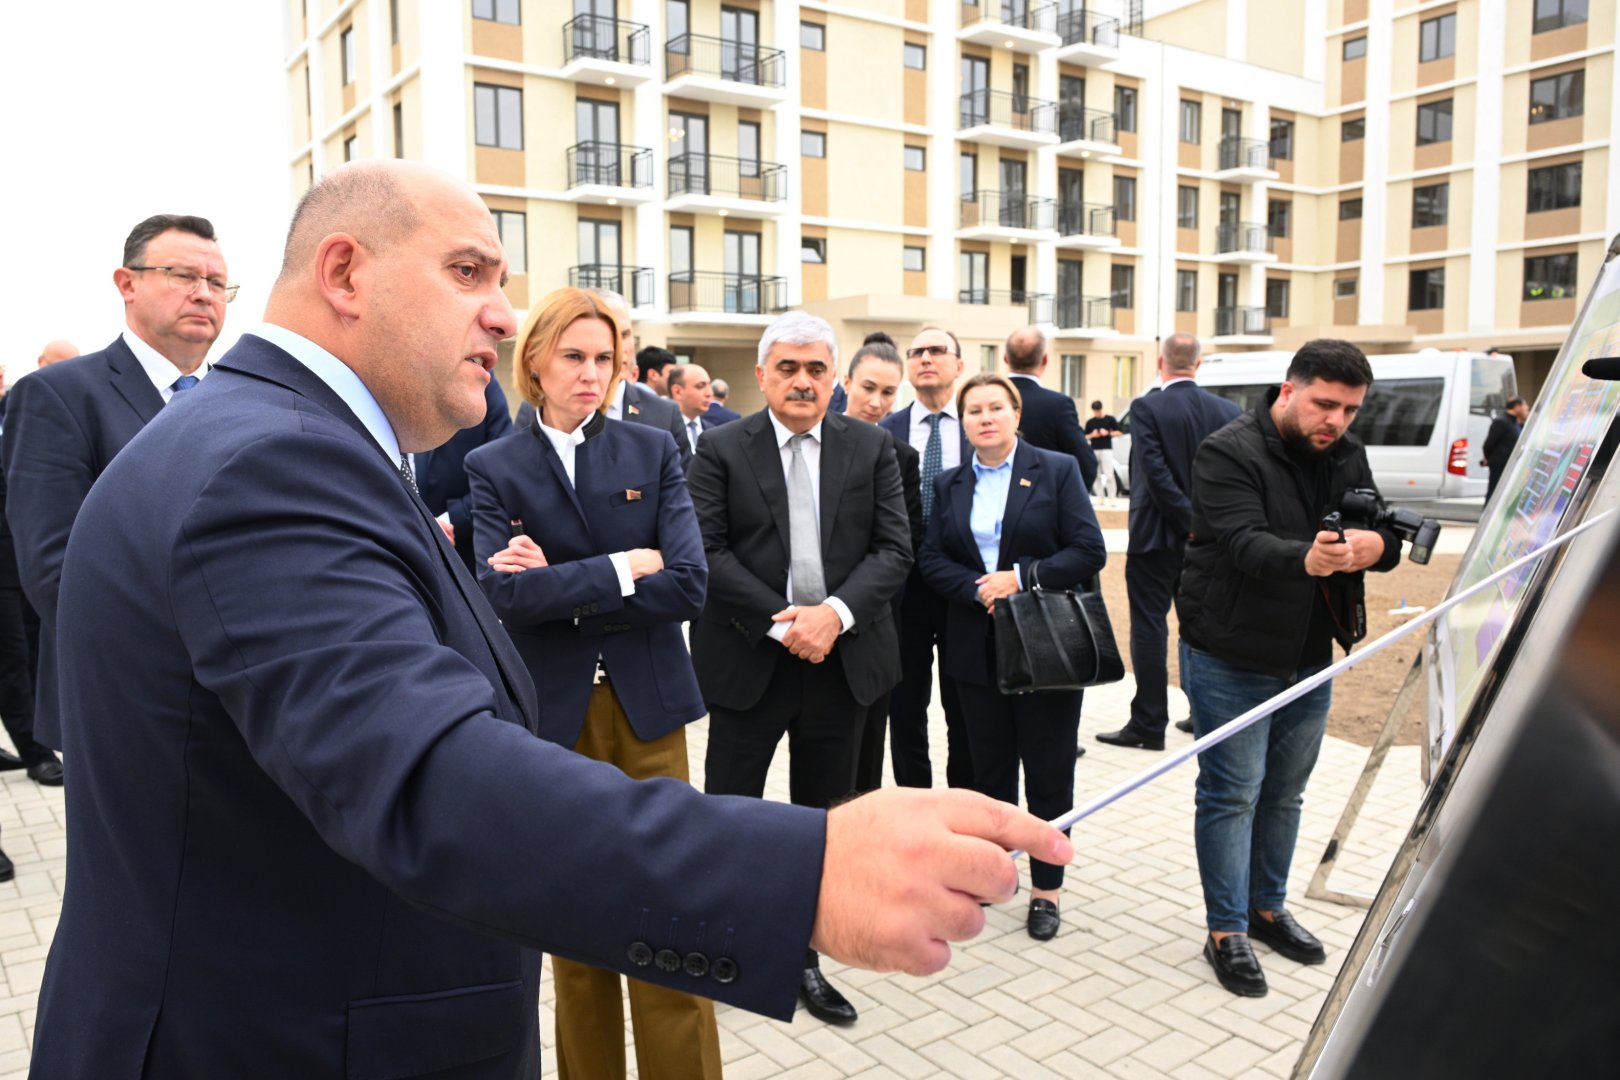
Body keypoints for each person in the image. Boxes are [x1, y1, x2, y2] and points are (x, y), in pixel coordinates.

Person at [28, 161, 1071, 1078]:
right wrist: (802, 871)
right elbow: (428, 778)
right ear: (344, 273)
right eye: (470, 273)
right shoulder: (272, 464)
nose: (501, 313)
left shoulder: (285, 444)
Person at [465, 288, 721, 1080]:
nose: (590, 374)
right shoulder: (492, 466)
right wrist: (618, 567)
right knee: (576, 933)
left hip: (650, 711)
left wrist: (562, 584)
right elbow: (505, 597)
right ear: (534, 360)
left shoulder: (653, 451)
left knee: (674, 922)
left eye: (604, 359)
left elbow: (687, 584)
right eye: (573, 356)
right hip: (552, 717)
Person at [688, 311, 913, 1027]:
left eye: (817, 369)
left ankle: (802, 959)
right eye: (787, 367)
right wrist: (788, 621)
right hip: (751, 661)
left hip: (839, 665)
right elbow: (706, 551)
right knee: (732, 815)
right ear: (761, 375)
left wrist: (833, 617)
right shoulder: (720, 449)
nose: (803, 381)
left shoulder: (873, 448)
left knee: (822, 824)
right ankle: (722, 946)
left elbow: (893, 551)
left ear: (834, 378)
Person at [1175, 339, 1403, 998]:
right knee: (1232, 792)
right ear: (1288, 390)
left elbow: (1381, 527)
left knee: (1285, 792)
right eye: (1324, 404)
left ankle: (1267, 909)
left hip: (1309, 651)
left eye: (1350, 410)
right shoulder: (1227, 450)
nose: (1335, 421)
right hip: (1230, 650)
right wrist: (1307, 558)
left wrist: (1376, 544)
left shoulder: (1348, 454)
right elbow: (1243, 542)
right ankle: (1226, 930)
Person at [4, 213, 231, 749]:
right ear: (127, 283)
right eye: (182, 276)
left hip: (238, 699)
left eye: (218, 283)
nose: (204, 294)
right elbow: (55, 571)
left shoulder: (239, 397)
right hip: (127, 703)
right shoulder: (59, 396)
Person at [918, 373, 1107, 942]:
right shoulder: (951, 484)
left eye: (996, 407)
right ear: (964, 421)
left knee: (1049, 771)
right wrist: (978, 587)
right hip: (975, 648)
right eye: (973, 409)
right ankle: (996, 873)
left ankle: (1047, 888)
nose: (985, 418)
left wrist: (1019, 578)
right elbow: (929, 558)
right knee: (988, 771)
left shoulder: (1056, 469)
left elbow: (1088, 548)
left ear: (1016, 413)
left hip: (1046, 643)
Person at [1095, 334, 1239, 751]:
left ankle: (1149, 722)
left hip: (1157, 537)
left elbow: (1155, 472)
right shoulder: (1227, 410)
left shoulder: (1147, 406)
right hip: (1208, 541)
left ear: (1161, 362)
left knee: (1149, 625)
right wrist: (1204, 523)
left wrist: (1187, 520)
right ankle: (1204, 713)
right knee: (1201, 626)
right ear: (1200, 363)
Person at [879, 328, 974, 790]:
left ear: (959, 365)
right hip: (903, 592)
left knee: (966, 711)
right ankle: (916, 809)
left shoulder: (981, 426)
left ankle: (963, 810)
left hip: (964, 590)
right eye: (916, 352)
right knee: (906, 709)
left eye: (938, 351)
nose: (926, 358)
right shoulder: (884, 433)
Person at [841, 332, 924, 794]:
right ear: (847, 381)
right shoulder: (802, 441)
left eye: (888, 392)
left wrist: (853, 608)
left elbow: (901, 547)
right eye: (868, 387)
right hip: (798, 625)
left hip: (868, 628)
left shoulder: (900, 458)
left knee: (865, 764)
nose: (876, 401)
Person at [518, 291, 690, 469]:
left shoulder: (664, 414)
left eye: (624, 335)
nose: (618, 347)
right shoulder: (534, 412)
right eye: (574, 356)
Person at [415, 378, 512, 570]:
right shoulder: (392, 376)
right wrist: (415, 523)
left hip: (469, 555)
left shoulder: (484, 382)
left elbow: (504, 476)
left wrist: (447, 521)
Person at [1001, 326, 1098, 491]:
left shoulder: (983, 400)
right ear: (1045, 360)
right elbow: (1086, 465)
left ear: (1005, 359)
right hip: (1041, 500)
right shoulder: (1058, 405)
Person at [1481, 395, 1529, 501]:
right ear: (1517, 407)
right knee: (1494, 492)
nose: (1527, 410)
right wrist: (1490, 458)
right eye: (1525, 407)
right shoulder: (1501, 422)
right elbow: (1488, 444)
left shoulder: (1515, 423)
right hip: (1500, 465)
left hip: (1510, 465)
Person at [668, 362, 714, 458]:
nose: (709, 393)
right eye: (700, 386)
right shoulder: (663, 432)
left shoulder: (714, 432)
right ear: (678, 392)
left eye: (709, 385)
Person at [1084, 400, 1123, 499]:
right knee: (1095, 474)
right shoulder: (1090, 422)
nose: (1097, 413)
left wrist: (1108, 433)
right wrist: (1092, 435)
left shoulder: (1110, 419)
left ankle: (1112, 497)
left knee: (1109, 474)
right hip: (1094, 449)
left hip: (1106, 449)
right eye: (1095, 411)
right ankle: (1100, 496)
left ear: (1101, 409)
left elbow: (1120, 433)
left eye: (1098, 411)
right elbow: (1084, 437)